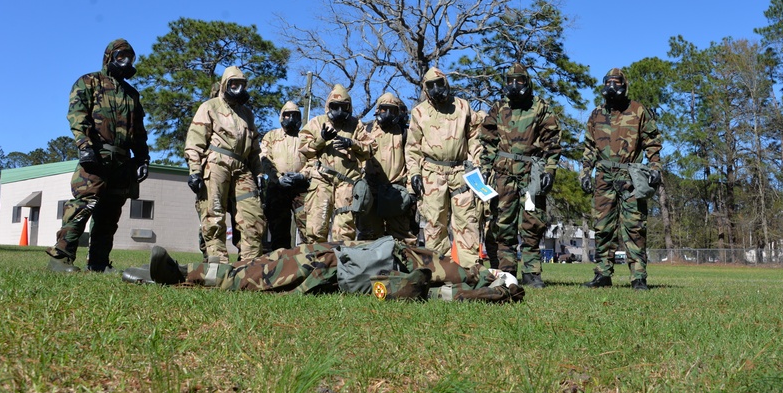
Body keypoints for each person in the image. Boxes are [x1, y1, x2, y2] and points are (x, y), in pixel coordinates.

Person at [120, 237, 525, 303]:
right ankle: (182, 272)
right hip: (332, 256)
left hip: (329, 265)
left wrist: (494, 282)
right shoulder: (427, 263)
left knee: (256, 273)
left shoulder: (436, 270)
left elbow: (457, 281)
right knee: (260, 265)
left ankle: (177, 275)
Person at [47, 39, 150, 273]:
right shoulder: (88, 82)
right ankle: (59, 258)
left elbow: (139, 131)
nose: (125, 62)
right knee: (83, 205)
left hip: (122, 162)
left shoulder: (132, 95)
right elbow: (77, 115)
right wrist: (84, 145)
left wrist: (143, 158)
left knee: (110, 213)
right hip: (95, 156)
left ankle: (99, 263)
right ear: (109, 57)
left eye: (130, 58)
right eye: (121, 56)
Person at [480, 63, 562, 288]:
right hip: (504, 174)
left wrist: (550, 169)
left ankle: (531, 272)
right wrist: (485, 167)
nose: (514, 85)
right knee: (503, 223)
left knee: (532, 222)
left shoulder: (539, 107)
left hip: (531, 175)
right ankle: (506, 272)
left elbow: (552, 141)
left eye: (520, 81)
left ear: (528, 82)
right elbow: (487, 140)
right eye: (510, 81)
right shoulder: (498, 108)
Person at [580, 68, 662, 290]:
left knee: (634, 227)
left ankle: (638, 277)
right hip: (603, 176)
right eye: (608, 83)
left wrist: (655, 167)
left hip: (630, 176)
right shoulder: (596, 114)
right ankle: (602, 274)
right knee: (603, 227)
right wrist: (585, 172)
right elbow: (588, 146)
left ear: (624, 85)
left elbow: (652, 141)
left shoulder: (637, 110)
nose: (612, 87)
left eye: (616, 83)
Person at [185, 66, 266, 263]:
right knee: (214, 214)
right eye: (233, 84)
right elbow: (195, 141)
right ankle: (217, 264)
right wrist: (195, 171)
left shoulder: (247, 114)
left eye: (241, 85)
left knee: (253, 215)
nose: (238, 88)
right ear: (224, 85)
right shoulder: (210, 107)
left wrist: (259, 174)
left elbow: (255, 149)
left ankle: (249, 265)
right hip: (217, 163)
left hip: (242, 167)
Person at [406, 67, 484, 267]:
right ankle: (439, 269)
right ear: (425, 89)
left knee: (467, 220)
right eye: (430, 86)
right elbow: (412, 148)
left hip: (460, 171)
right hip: (432, 173)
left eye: (439, 84)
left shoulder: (463, 106)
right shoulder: (419, 112)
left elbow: (474, 137)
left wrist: (475, 163)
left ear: (446, 84)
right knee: (434, 223)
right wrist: (414, 173)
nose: (436, 89)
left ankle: (470, 269)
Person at [297, 85, 374, 243]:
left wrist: (351, 143)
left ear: (349, 107)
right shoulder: (316, 123)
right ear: (328, 106)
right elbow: (304, 150)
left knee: (344, 231)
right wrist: (321, 139)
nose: (339, 111)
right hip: (322, 180)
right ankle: (317, 264)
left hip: (347, 183)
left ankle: (342, 264)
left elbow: (371, 149)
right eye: (335, 106)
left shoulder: (356, 125)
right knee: (316, 228)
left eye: (343, 107)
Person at [363, 93, 417, 245]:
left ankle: (405, 269)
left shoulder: (404, 132)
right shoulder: (366, 130)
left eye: (392, 110)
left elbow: (412, 161)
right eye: (383, 110)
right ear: (377, 110)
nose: (387, 114)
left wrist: (411, 192)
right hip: (371, 191)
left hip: (396, 193)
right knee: (369, 238)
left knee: (403, 240)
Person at [260, 101, 311, 250]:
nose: (290, 118)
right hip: (277, 188)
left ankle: (308, 263)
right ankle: (281, 266)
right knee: (278, 230)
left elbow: (314, 160)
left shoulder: (305, 137)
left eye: (294, 115)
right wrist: (278, 178)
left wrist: (302, 175)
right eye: (287, 115)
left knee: (309, 229)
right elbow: (264, 159)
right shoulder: (271, 136)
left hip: (301, 189)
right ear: (281, 117)